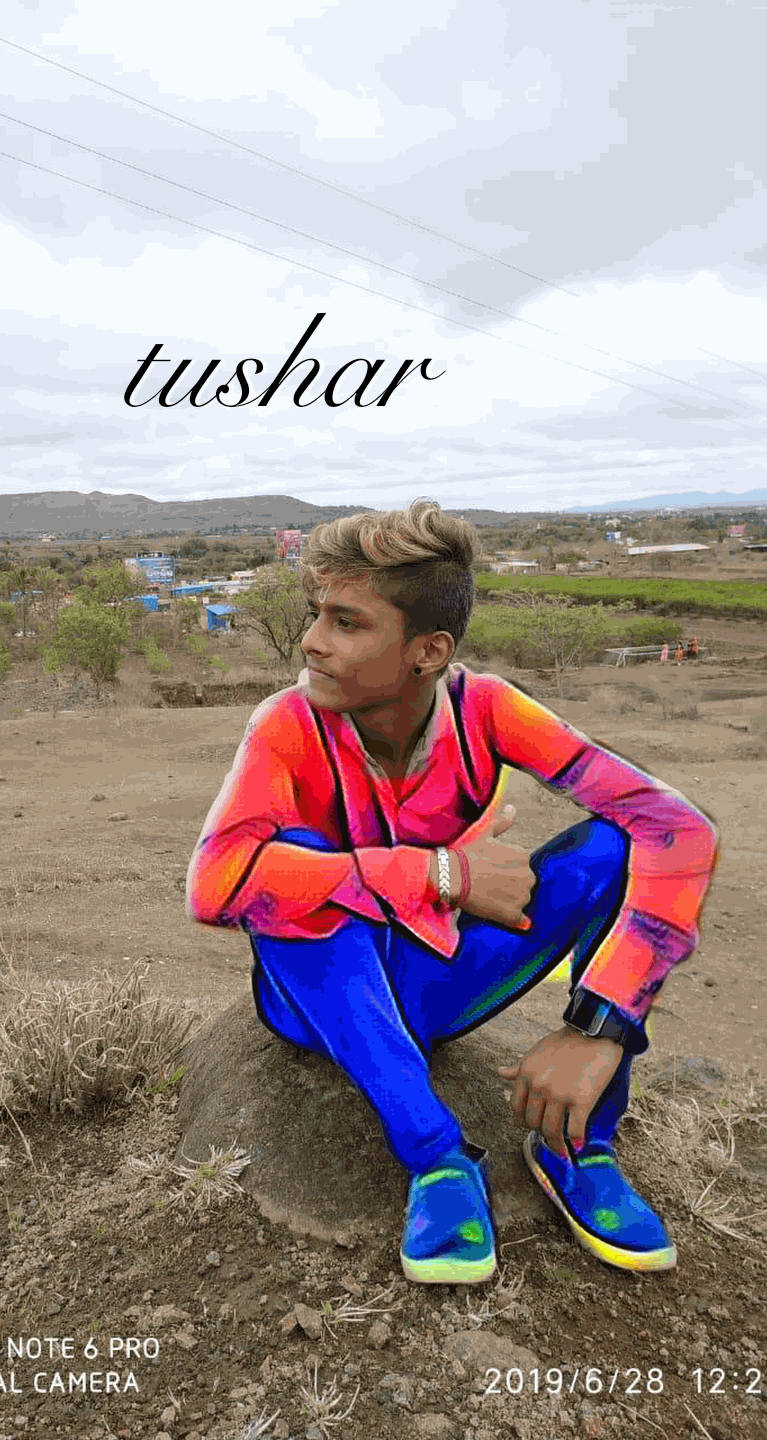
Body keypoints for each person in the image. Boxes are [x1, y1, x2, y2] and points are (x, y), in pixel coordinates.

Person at [186, 501, 718, 1285]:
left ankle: (577, 1146)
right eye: (316, 614)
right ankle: (437, 1157)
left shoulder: (487, 710)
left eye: (346, 621)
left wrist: (602, 1026)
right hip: (323, 996)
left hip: (442, 976)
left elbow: (678, 829)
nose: (311, 641)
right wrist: (443, 873)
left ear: (427, 651)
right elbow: (217, 884)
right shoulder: (286, 725)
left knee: (612, 849)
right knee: (289, 868)